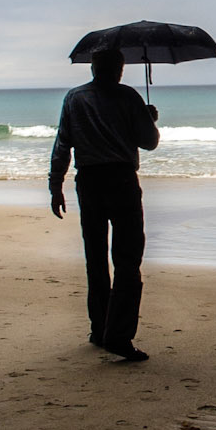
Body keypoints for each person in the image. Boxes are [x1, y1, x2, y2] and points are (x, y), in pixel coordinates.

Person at [49, 46, 160, 361]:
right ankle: (119, 336)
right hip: (122, 181)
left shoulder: (74, 98)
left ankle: (100, 329)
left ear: (92, 68)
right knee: (127, 259)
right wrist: (150, 120)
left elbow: (63, 143)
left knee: (95, 257)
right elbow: (149, 143)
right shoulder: (128, 97)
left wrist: (55, 184)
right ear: (120, 68)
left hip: (89, 183)